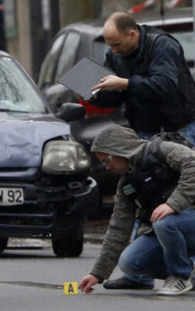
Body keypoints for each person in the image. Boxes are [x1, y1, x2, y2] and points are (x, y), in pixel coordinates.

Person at [87, 11, 195, 289]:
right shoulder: (117, 56)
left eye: (117, 44)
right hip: (144, 130)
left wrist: (124, 82)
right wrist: (93, 92)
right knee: (142, 199)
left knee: (171, 204)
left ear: (132, 34)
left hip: (178, 127)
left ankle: (181, 273)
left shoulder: (163, 45)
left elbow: (165, 86)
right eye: (109, 46)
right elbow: (114, 97)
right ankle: (138, 273)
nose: (113, 51)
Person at [79, 125, 195, 295]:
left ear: (120, 150)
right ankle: (190, 276)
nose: (107, 168)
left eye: (107, 160)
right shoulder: (127, 184)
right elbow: (118, 229)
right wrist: (97, 273)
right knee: (130, 262)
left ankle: (180, 276)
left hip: (184, 221)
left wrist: (173, 203)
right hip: (170, 227)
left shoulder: (161, 149)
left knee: (163, 222)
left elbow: (193, 164)